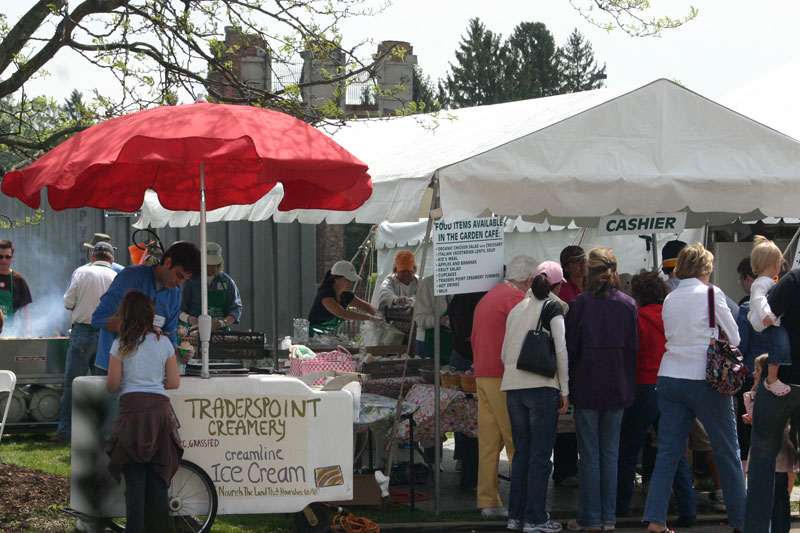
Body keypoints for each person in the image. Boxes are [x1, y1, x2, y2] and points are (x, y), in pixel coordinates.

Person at [643, 243, 745, 533]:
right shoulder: (712, 294)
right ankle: (740, 519)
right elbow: (735, 338)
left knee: (668, 452)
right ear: (706, 268)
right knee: (727, 449)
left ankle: (655, 519)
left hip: (670, 376)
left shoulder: (671, 298)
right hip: (705, 378)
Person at [615, 271, 696, 526]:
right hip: (671, 384)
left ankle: (621, 507)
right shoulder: (671, 315)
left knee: (628, 450)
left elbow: (629, 353)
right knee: (674, 451)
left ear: (637, 295)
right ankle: (688, 508)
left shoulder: (635, 318)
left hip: (643, 387)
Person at [566, 247, 638, 532]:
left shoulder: (580, 304)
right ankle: (607, 519)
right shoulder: (628, 305)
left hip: (586, 384)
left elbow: (571, 348)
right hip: (618, 385)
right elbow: (633, 349)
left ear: (587, 270)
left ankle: (590, 518)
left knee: (590, 456)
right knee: (610, 454)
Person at [500, 261, 570, 533]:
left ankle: (516, 516)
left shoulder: (517, 309)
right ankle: (536, 519)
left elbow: (505, 354)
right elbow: (561, 351)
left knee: (522, 455)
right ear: (557, 285)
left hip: (513, 388)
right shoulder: (553, 307)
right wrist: (564, 389)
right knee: (541, 457)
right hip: (542, 386)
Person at [106, 290, 182, 533]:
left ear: (124, 315)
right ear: (151, 315)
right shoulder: (164, 343)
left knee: (135, 483)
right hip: (159, 414)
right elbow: (173, 382)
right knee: (158, 481)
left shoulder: (119, 345)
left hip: (132, 414)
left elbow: (112, 386)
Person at [471, 254, 538, 519]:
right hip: (503, 375)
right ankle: (523, 505)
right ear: (529, 280)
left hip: (482, 373)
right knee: (516, 440)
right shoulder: (516, 299)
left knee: (489, 442)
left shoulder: (491, 294)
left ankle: (488, 501)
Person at [745, 256, 800, 532]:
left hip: (785, 382)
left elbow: (765, 319)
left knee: (763, 459)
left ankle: (757, 527)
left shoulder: (792, 280)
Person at [92, 241, 201, 375]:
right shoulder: (131, 277)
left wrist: (177, 353)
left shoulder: (174, 294)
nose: (180, 283)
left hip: (147, 372)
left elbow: (170, 334)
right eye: (179, 275)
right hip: (113, 368)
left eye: (185, 279)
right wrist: (138, 328)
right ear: (167, 262)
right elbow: (98, 318)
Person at [55, 241, 118, 440]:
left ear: (93, 257)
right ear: (112, 259)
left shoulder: (81, 273)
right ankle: (102, 432)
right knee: (103, 385)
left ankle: (65, 431)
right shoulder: (116, 276)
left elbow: (68, 303)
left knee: (72, 384)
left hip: (82, 332)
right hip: (107, 334)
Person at [742, 354, 797, 533]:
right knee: (781, 495)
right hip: (783, 448)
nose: (754, 373)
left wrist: (750, 400)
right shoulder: (785, 391)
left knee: (772, 496)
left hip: (772, 451)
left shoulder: (762, 394)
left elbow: (761, 418)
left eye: (758, 370)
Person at [553, 246, 586, 487]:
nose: (582, 266)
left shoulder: (590, 286)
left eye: (583, 261)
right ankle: (564, 470)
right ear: (567, 266)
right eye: (576, 262)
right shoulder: (564, 290)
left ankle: (580, 465)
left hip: (586, 358)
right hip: (568, 355)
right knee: (566, 416)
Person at [748, 236, 792, 396]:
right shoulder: (762, 282)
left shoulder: (766, 281)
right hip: (768, 322)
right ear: (775, 264)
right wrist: (767, 315)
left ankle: (773, 377)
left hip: (770, 321)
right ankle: (771, 379)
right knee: (779, 346)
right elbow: (759, 299)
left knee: (781, 346)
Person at [734, 256, 765, 467]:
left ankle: (744, 482)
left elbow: (740, 346)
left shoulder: (746, 308)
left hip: (749, 376)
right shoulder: (780, 302)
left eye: (741, 279)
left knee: (745, 431)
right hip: (776, 374)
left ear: (749, 278)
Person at [180, 242, 242, 332]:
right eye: (207, 264)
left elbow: (236, 308)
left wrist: (223, 322)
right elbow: (179, 309)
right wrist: (189, 319)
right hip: (195, 332)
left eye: (214, 265)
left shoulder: (227, 281)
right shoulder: (190, 281)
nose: (210, 268)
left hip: (221, 333)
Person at [307, 260, 379, 336]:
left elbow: (366, 307)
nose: (350, 283)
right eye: (347, 280)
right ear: (336, 278)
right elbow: (342, 313)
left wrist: (380, 316)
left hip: (327, 336)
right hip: (312, 336)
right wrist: (370, 318)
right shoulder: (325, 294)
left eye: (351, 280)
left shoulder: (346, 295)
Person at [414, 275, 452, 361]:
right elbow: (420, 319)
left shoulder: (461, 284)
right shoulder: (428, 284)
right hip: (429, 342)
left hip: (451, 342)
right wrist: (442, 321)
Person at [0, 239, 32, 336]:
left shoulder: (19, 280)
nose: (4, 260)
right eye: (0, 256)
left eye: (7, 257)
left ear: (12, 257)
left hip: (9, 334)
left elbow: (24, 311)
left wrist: (27, 333)